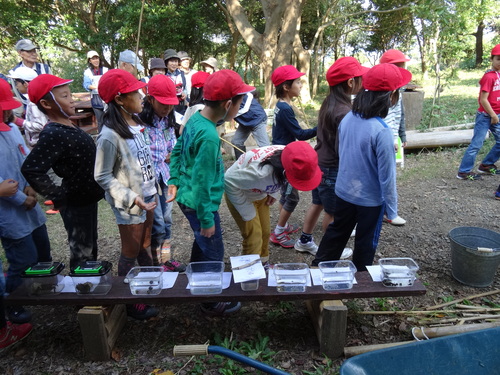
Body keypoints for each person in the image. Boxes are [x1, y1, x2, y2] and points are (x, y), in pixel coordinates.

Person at [167, 69, 255, 316]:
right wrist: (207, 219)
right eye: (239, 103)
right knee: (214, 249)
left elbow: (177, 149)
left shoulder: (196, 119)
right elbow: (203, 183)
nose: (240, 108)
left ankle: (195, 274)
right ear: (228, 105)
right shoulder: (208, 136)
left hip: (187, 196)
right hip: (199, 202)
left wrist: (174, 179)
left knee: (203, 242)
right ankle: (209, 300)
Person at [311, 63, 412, 272]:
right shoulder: (381, 131)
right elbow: (387, 177)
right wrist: (391, 211)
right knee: (366, 241)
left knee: (337, 231)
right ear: (391, 97)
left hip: (343, 191)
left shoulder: (348, 118)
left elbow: (340, 151)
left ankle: (317, 268)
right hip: (370, 201)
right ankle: (360, 278)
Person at [94, 69, 159, 320]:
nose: (142, 95)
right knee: (130, 250)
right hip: (131, 204)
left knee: (145, 243)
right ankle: (129, 301)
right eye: (136, 92)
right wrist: (132, 198)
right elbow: (102, 176)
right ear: (120, 99)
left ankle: (151, 283)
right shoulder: (109, 136)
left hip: (149, 196)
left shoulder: (136, 122)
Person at [21, 74, 104, 269]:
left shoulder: (68, 124)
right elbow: (32, 168)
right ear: (46, 103)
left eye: (70, 95)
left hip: (87, 198)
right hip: (75, 202)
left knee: (90, 245)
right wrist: (57, 194)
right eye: (65, 96)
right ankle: (83, 292)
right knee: (82, 250)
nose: (72, 100)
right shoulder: (53, 133)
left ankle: (90, 285)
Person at [295, 57, 368, 257]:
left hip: (320, 163)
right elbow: (342, 148)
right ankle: (332, 249)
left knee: (318, 203)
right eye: (359, 77)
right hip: (332, 168)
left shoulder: (329, 102)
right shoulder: (344, 112)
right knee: (333, 213)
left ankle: (305, 239)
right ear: (351, 82)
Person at [0, 81, 52, 324]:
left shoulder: (10, 130)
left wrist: (31, 187)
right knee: (22, 259)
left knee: (42, 249)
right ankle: (14, 303)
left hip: (29, 204)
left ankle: (44, 289)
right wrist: (20, 198)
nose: (7, 111)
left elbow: (24, 157)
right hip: (8, 211)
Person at [225, 141, 321, 265]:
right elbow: (228, 180)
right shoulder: (260, 173)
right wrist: (247, 212)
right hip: (242, 195)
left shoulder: (290, 156)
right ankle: (249, 271)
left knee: (265, 233)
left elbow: (281, 178)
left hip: (260, 194)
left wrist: (273, 192)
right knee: (254, 237)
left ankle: (263, 263)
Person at [138, 74, 185, 271]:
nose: (167, 108)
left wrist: (172, 153)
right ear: (150, 100)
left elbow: (172, 144)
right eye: (163, 103)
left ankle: (166, 259)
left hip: (165, 176)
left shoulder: (169, 120)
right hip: (147, 180)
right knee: (155, 222)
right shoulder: (139, 121)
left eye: (171, 104)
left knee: (167, 220)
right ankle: (154, 262)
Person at [269, 65, 317, 248]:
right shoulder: (285, 108)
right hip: (285, 157)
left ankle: (284, 225)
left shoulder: (282, 105)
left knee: (286, 193)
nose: (300, 84)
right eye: (297, 82)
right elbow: (300, 134)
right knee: (292, 197)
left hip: (282, 152)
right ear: (286, 87)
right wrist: (319, 128)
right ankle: (278, 233)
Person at [457, 44, 500, 180]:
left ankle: (486, 165)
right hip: (486, 116)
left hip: (497, 115)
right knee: (477, 143)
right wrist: (493, 115)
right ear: (492, 59)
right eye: (498, 59)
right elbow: (483, 100)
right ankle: (464, 171)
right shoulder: (489, 77)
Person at [379, 49, 410, 226]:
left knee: (389, 177)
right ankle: (381, 211)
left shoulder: (399, 87)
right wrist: (388, 139)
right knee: (379, 177)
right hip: (380, 138)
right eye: (399, 66)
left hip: (390, 137)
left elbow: (399, 113)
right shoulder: (376, 89)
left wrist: (400, 135)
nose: (402, 70)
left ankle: (391, 212)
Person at [232, 92, 270, 160]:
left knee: (265, 147)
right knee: (236, 142)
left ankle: (270, 165)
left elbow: (242, 109)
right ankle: (241, 163)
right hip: (245, 123)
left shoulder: (241, 94)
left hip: (257, 120)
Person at [83, 50, 108, 131]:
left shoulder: (105, 70)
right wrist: (96, 87)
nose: (96, 60)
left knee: (109, 119)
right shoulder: (87, 72)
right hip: (96, 98)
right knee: (100, 121)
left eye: (97, 58)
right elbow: (86, 85)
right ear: (90, 60)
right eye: (93, 59)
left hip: (106, 97)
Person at [163, 49, 187, 115]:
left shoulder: (181, 73)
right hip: (167, 105)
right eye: (171, 61)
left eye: (176, 61)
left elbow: (185, 87)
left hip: (180, 105)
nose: (174, 64)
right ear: (166, 62)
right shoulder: (163, 74)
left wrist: (184, 93)